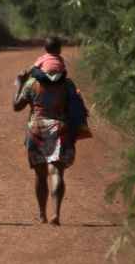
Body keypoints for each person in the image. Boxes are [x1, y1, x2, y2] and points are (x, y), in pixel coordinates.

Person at [12, 38, 85, 225]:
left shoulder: (32, 83)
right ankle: (57, 214)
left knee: (40, 174)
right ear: (60, 53)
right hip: (60, 129)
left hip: (36, 130)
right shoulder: (68, 84)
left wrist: (19, 83)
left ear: (44, 53)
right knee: (57, 173)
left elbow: (17, 106)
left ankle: (42, 214)